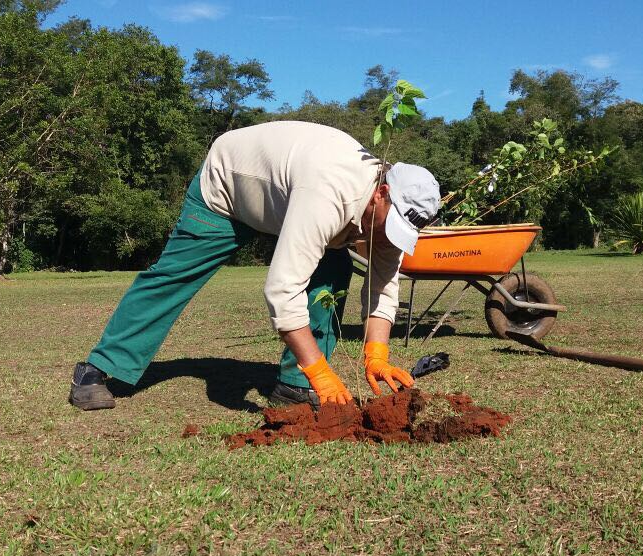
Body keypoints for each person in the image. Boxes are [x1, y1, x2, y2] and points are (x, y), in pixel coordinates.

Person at [69, 120, 440, 411]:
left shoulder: (385, 218)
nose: (389, 236)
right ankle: (98, 368)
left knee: (333, 273)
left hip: (286, 200)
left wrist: (377, 354)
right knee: (174, 276)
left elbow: (383, 285)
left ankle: (296, 385)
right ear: (381, 192)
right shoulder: (329, 190)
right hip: (228, 185)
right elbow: (281, 289)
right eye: (390, 225)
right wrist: (322, 372)